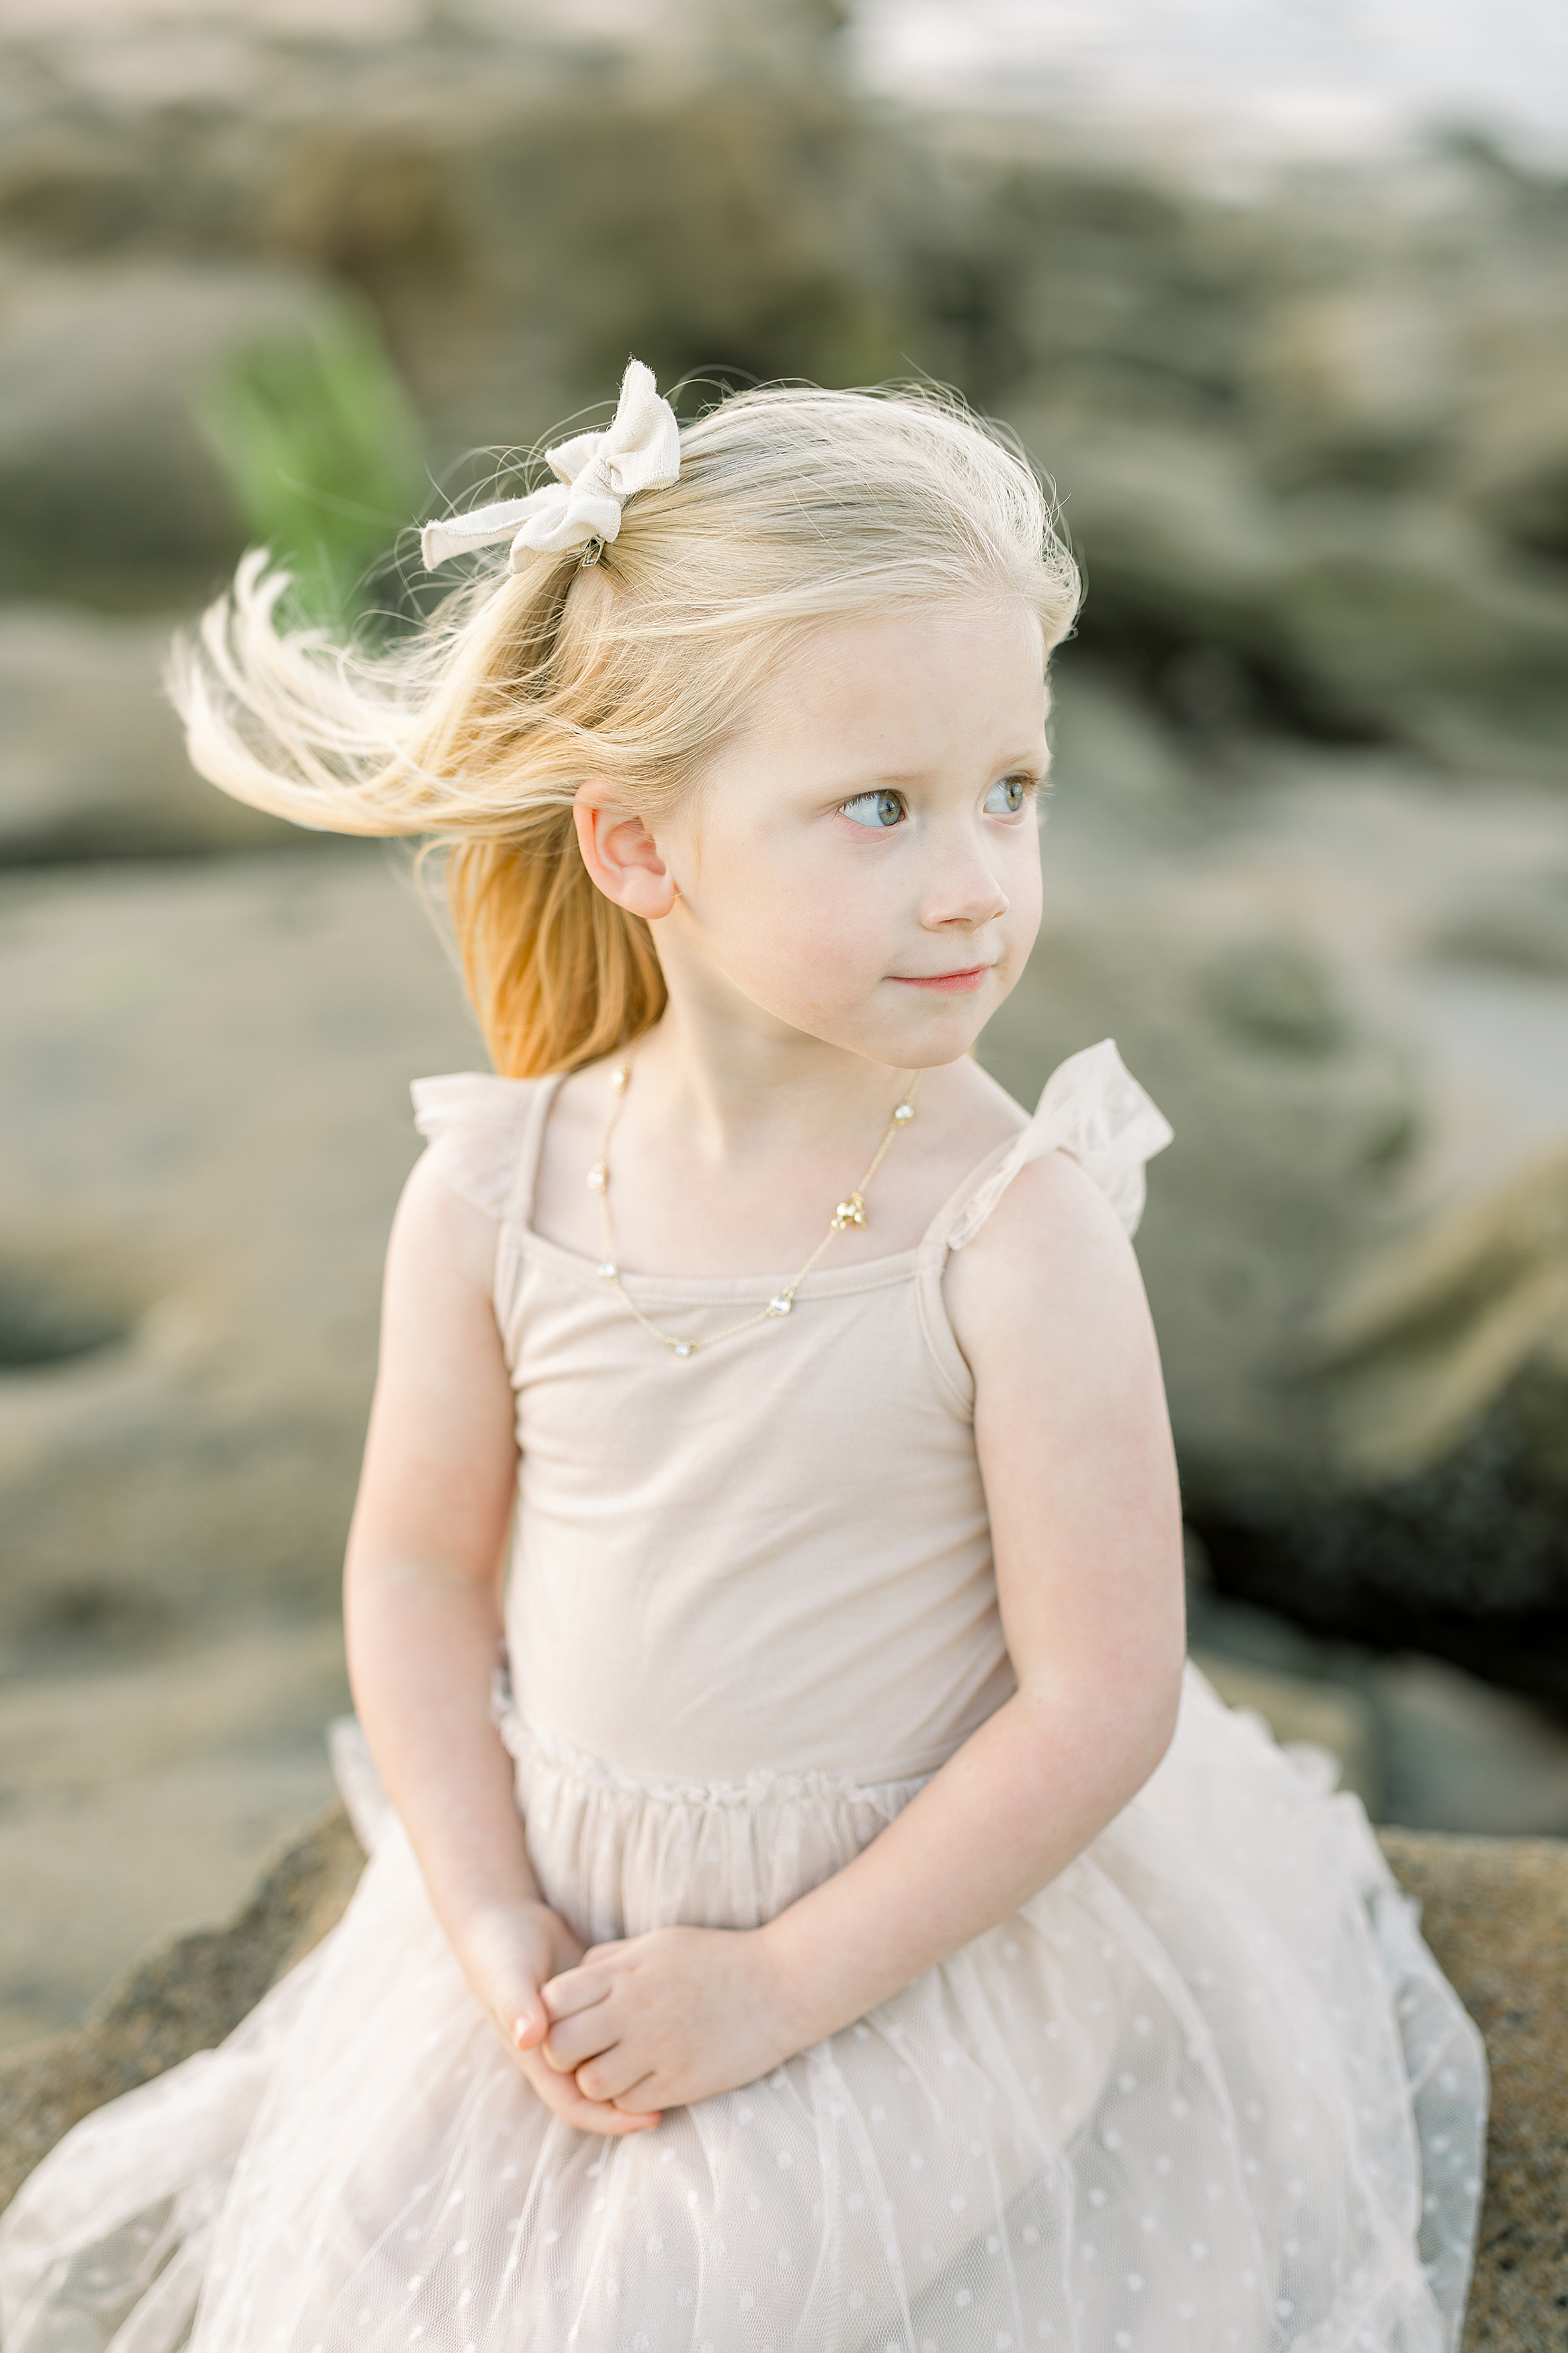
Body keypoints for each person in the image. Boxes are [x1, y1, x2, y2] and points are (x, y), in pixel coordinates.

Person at [0, 364, 1485, 2353]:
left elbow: (1100, 1695)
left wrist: (781, 1983)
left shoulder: (1013, 1227)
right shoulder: (498, 1193)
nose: (976, 879)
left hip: (904, 1934)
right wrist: (487, 1912)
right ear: (635, 849)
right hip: (565, 1911)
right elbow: (421, 1572)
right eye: (881, 807)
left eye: (1011, 793)